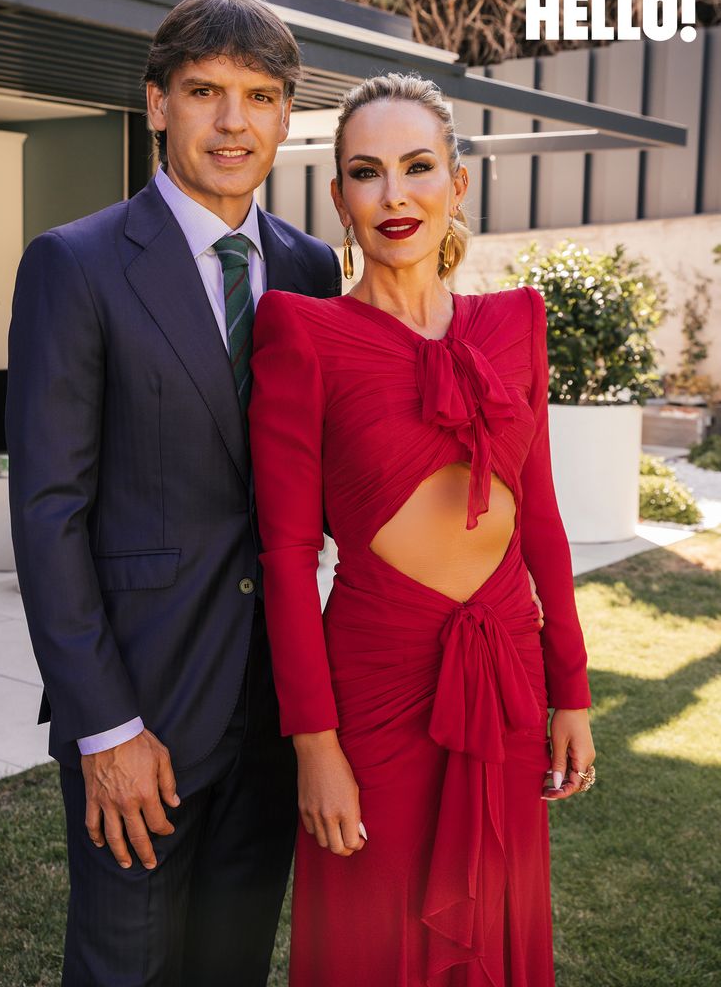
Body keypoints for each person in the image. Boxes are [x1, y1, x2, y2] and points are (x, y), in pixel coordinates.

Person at [6, 0, 340, 987]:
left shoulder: (313, 270)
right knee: (126, 971)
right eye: (204, 92)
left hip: (275, 716)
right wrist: (105, 726)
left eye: (259, 96)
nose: (232, 122)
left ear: (285, 115)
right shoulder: (77, 264)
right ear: (157, 104)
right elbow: (48, 512)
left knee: (229, 969)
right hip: (141, 712)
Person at [248, 72, 596, 987]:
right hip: (373, 692)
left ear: (458, 184)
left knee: (495, 924)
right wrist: (314, 748)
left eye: (417, 167)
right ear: (339, 199)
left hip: (505, 674)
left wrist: (573, 691)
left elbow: (543, 525)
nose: (394, 195)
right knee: (373, 942)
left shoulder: (517, 322)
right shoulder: (302, 331)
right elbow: (287, 556)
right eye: (366, 173)